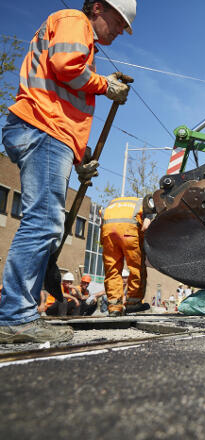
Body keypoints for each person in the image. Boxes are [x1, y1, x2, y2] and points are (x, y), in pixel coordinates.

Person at [0, 0, 136, 343]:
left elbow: (64, 103)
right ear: (97, 8)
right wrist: (106, 86)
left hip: (48, 131)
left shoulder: (82, 36)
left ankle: (21, 313)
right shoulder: (74, 21)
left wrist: (81, 156)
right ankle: (14, 316)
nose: (121, 32)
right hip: (42, 129)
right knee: (44, 222)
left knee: (44, 221)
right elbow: (66, 66)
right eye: (119, 23)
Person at [100, 195, 151, 317]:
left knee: (112, 270)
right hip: (129, 233)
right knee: (136, 268)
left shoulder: (112, 204)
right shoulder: (142, 204)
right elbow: (146, 226)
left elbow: (101, 218)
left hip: (108, 232)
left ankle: (114, 307)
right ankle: (133, 303)